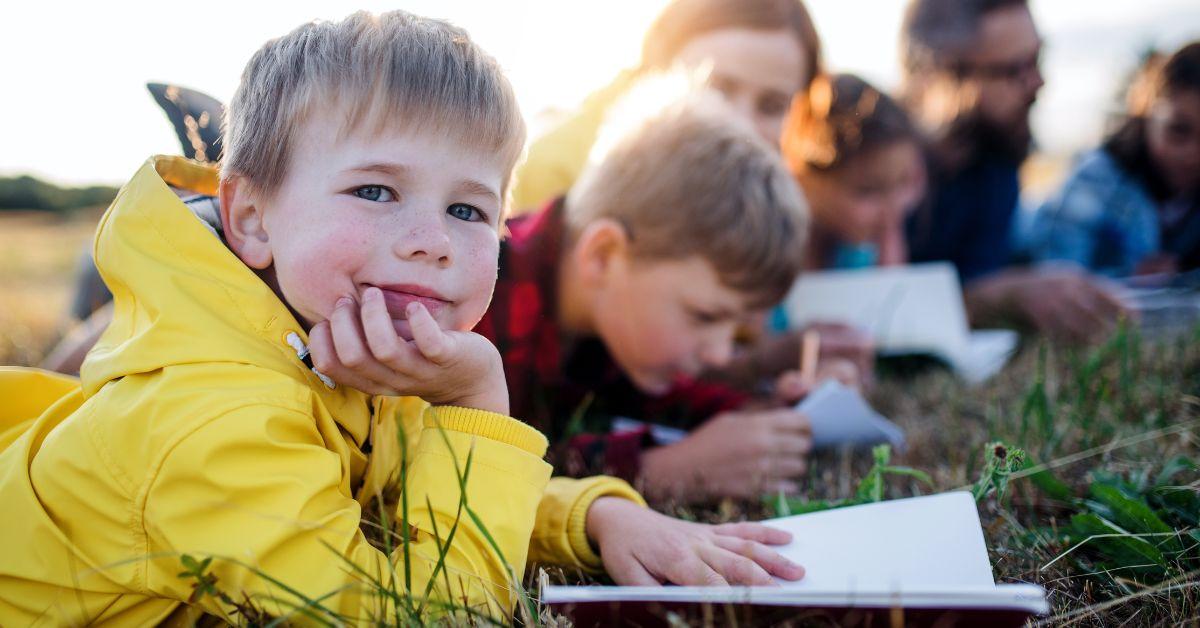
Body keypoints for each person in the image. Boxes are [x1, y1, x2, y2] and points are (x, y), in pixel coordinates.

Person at [0, 12, 805, 625]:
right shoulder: (216, 418)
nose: (431, 245)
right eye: (375, 191)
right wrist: (478, 404)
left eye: (467, 208)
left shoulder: (334, 339)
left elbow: (407, 489)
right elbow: (432, 608)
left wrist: (598, 515)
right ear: (248, 217)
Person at [899, 0, 1128, 343]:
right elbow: (876, 306)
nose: (1038, 82)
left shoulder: (995, 160)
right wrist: (1001, 297)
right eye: (1013, 70)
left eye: (1037, 59)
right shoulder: (884, 169)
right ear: (944, 76)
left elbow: (981, 273)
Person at [511, 0, 823, 212]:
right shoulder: (554, 172)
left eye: (772, 106)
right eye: (716, 88)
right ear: (659, 58)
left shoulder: (777, 198)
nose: (740, 125)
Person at [1028, 42, 1200, 277]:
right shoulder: (1095, 180)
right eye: (1179, 131)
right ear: (1146, 113)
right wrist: (1130, 278)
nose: (1193, 154)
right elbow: (1052, 271)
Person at [782, 73, 927, 271]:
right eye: (868, 191)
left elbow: (891, 283)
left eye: (904, 181)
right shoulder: (775, 250)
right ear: (805, 180)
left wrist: (890, 240)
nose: (891, 210)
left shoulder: (860, 247)